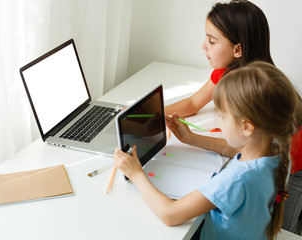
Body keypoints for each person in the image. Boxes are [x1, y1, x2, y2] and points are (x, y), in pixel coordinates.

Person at [114, 61, 300, 239]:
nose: (219, 121)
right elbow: (236, 152)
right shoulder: (277, 153)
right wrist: (191, 138)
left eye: (222, 115)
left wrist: (136, 173)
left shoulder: (235, 180)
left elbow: (170, 214)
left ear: (247, 127)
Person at [164, 0, 302, 232]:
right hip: (271, 166)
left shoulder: (251, 94)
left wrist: (194, 139)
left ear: (238, 50)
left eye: (211, 40)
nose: (203, 46)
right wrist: (147, 113)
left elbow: (240, 151)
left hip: (292, 175)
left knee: (277, 230)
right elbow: (193, 102)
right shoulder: (229, 74)